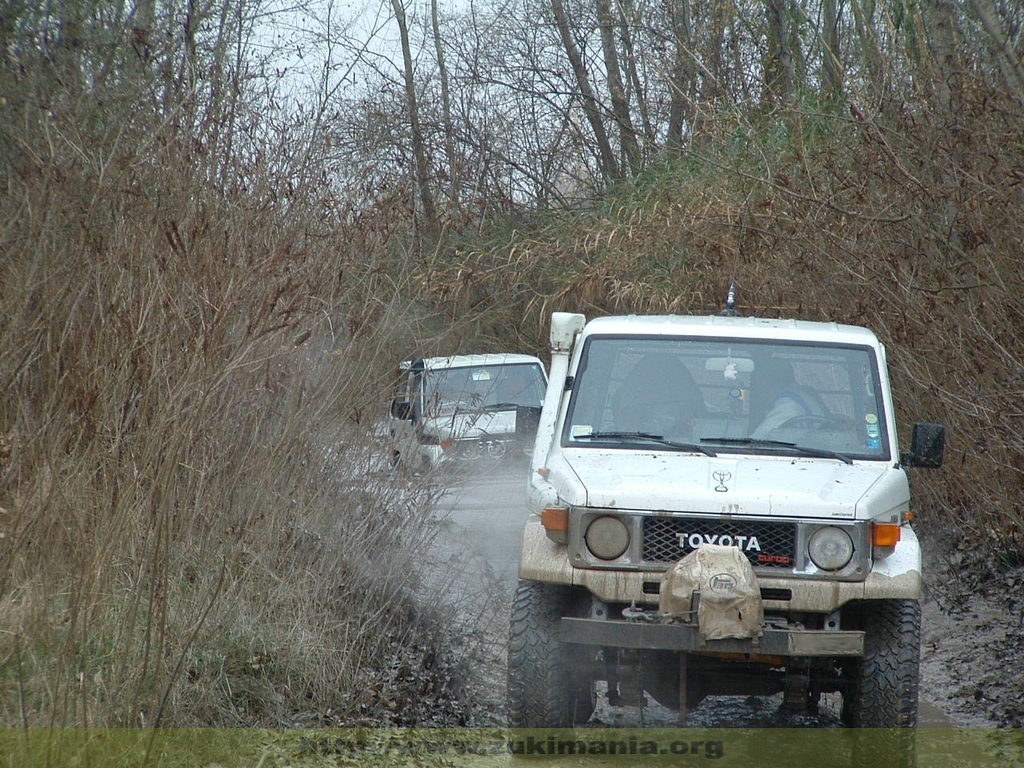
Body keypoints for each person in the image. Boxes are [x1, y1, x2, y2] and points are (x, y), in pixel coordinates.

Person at [613, 353, 705, 436]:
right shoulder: (605, 435)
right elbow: (628, 436)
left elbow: (698, 434)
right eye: (648, 380)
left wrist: (683, 420)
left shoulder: (693, 407)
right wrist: (637, 410)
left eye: (665, 379)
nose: (655, 385)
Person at [750, 358, 829, 438]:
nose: (758, 388)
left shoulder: (788, 405)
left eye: (759, 381)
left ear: (767, 381)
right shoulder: (802, 394)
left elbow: (758, 440)